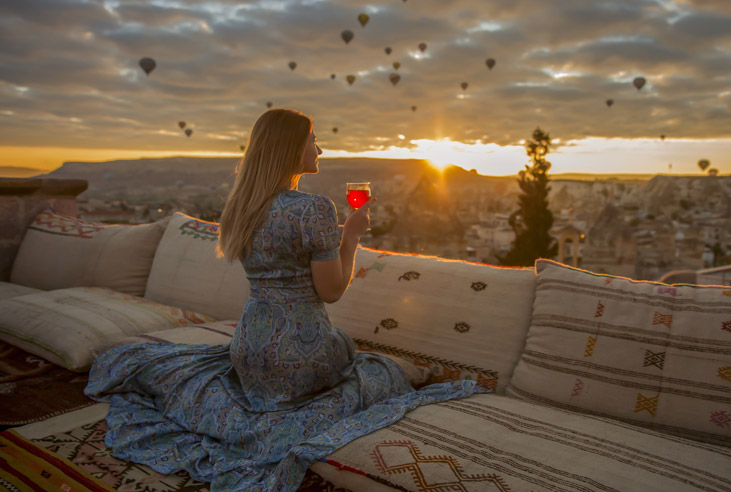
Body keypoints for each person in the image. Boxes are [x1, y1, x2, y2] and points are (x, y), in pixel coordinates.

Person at [85, 108, 484, 492]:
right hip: (302, 350)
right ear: (291, 149)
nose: (320, 150)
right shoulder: (313, 209)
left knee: (336, 352)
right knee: (370, 364)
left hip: (250, 346)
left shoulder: (243, 206)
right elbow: (331, 291)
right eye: (314, 141)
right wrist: (351, 236)